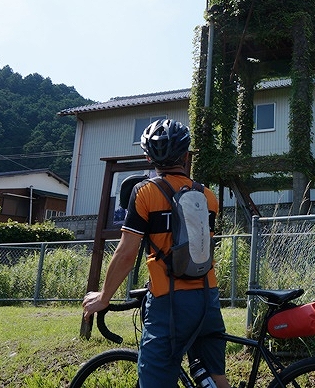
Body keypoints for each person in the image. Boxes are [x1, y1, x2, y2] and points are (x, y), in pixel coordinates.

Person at [83, 119, 232, 388]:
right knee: (214, 375)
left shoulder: (145, 193)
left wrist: (104, 297)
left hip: (169, 301)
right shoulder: (208, 197)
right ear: (186, 156)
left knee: (156, 379)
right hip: (208, 296)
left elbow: (127, 253)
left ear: (148, 157)